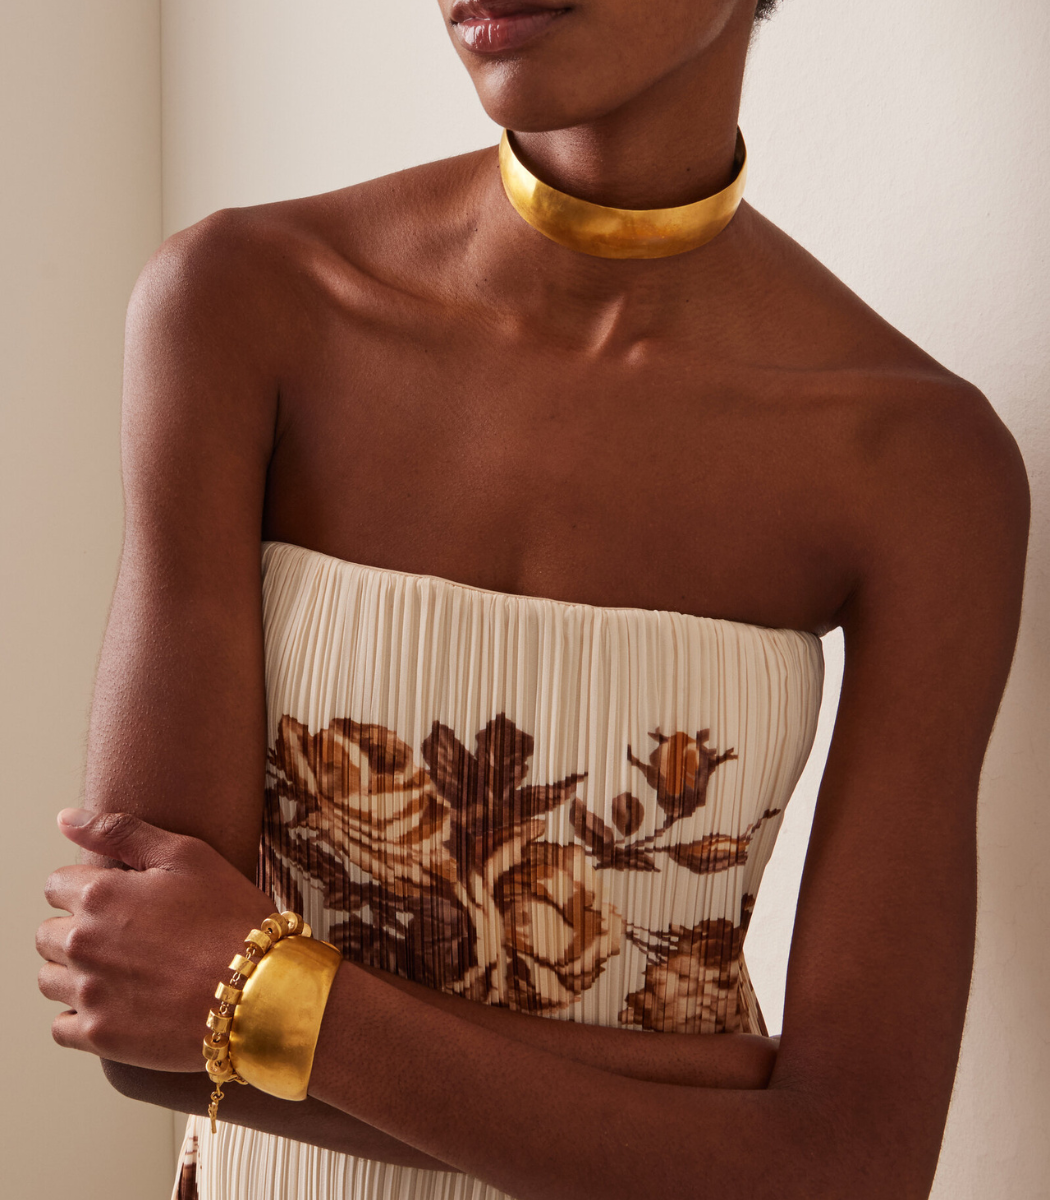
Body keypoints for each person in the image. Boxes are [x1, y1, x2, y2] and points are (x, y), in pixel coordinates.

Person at [35, 2, 1029, 1198]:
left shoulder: (919, 464)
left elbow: (857, 1171)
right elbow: (137, 1004)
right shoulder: (241, 303)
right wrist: (721, 1102)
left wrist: (266, 997)